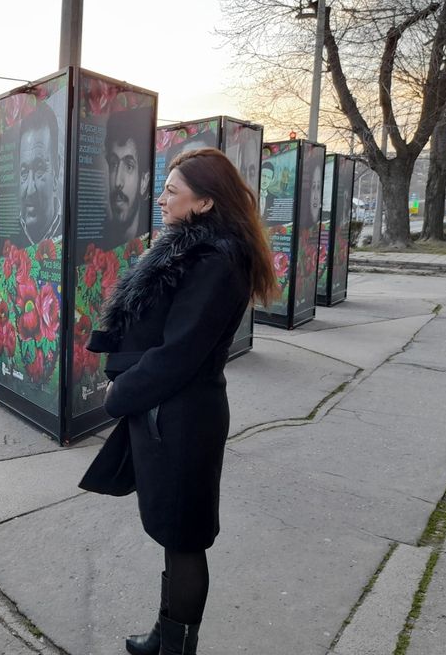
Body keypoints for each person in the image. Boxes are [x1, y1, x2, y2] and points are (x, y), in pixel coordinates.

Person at [81, 148, 278, 655]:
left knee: (185, 539)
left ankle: (175, 648)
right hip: (171, 413)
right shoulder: (194, 251)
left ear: (205, 202)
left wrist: (120, 393)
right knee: (175, 534)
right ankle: (167, 637)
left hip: (183, 419)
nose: (161, 198)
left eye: (172, 191)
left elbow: (179, 353)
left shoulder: (216, 262)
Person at [104, 107, 152, 248]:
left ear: (144, 181)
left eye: (129, 166)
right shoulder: (97, 246)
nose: (118, 182)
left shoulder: (149, 247)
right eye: (113, 164)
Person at [18, 100, 62, 244]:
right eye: (24, 171)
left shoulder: (66, 233)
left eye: (40, 169)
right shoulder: (12, 238)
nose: (30, 190)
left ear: (56, 170)